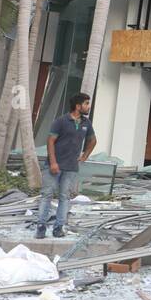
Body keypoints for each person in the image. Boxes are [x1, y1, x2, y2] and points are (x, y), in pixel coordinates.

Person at [38, 92, 96, 239]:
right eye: (86, 104)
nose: (88, 106)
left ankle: (58, 228)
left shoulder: (86, 123)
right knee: (47, 196)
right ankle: (41, 227)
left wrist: (85, 156)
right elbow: (50, 141)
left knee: (65, 197)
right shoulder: (61, 121)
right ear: (78, 106)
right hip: (54, 166)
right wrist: (53, 163)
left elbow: (93, 140)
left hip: (71, 168)